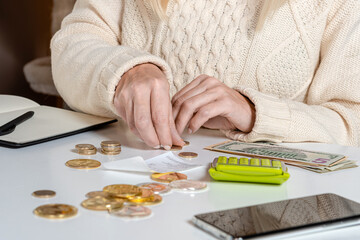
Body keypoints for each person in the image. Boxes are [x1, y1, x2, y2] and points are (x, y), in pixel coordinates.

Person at [51, 0, 360, 149]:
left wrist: (254, 113)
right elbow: (70, 47)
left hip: (270, 206)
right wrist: (125, 71)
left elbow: (352, 121)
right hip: (119, 181)